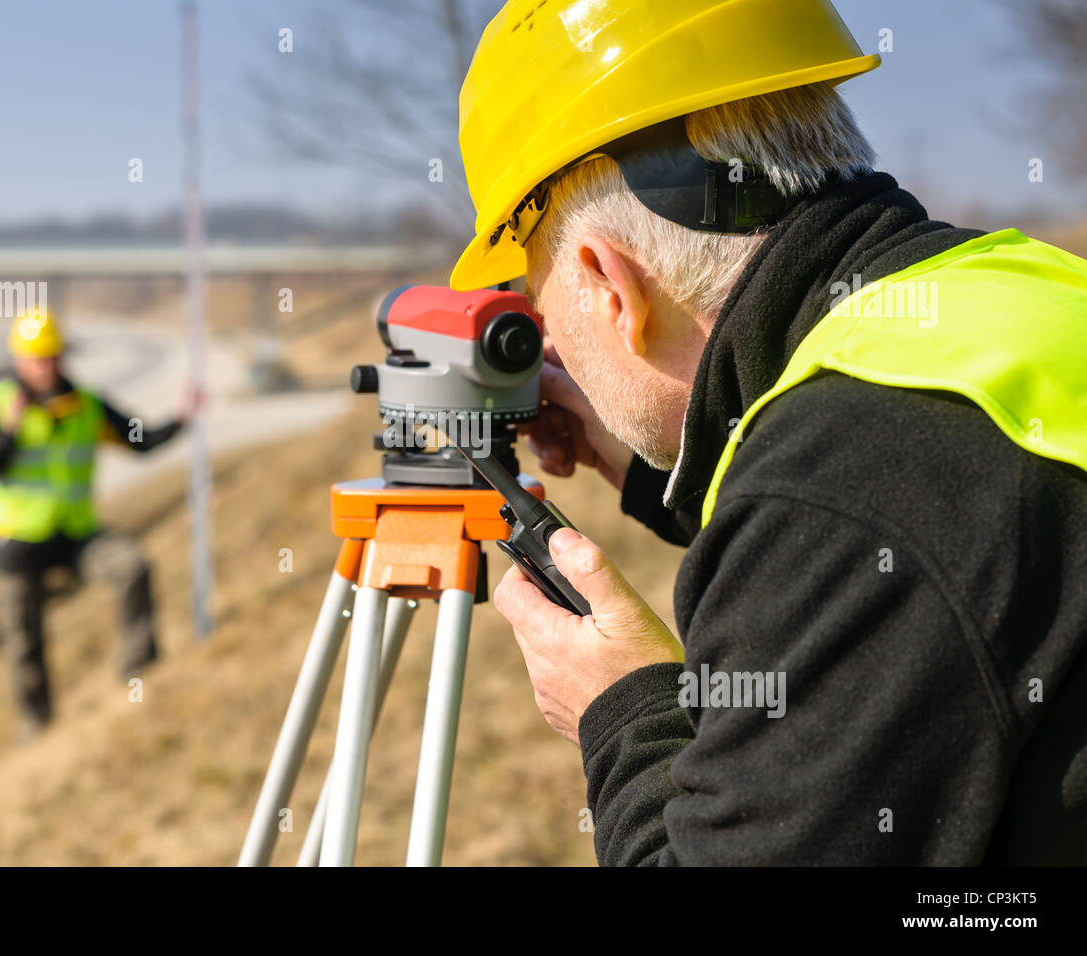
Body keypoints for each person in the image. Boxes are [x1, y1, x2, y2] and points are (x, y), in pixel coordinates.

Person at [452, 0, 1087, 864]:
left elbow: (856, 528)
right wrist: (638, 463)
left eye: (543, 300)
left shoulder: (851, 487)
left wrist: (624, 708)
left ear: (608, 284)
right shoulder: (1016, 296)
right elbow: (937, 560)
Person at [0, 307, 199, 738]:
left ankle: (138, 672)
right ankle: (36, 727)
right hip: (17, 544)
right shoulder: (3, 405)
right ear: (19, 360)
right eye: (37, 358)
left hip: (76, 536)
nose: (46, 366)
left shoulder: (86, 405)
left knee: (131, 566)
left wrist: (182, 418)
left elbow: (140, 439)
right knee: (24, 642)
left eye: (53, 356)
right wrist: (8, 429)